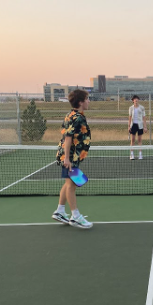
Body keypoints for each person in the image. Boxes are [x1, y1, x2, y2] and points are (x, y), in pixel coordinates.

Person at [52, 89, 93, 229]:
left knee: (72, 183)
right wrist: (67, 159)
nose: (88, 101)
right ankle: (75, 217)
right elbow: (68, 138)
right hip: (70, 157)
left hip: (71, 156)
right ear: (81, 102)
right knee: (72, 185)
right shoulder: (77, 118)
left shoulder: (72, 114)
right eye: (87, 99)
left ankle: (60, 211)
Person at [128, 95, 147, 160]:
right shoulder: (131, 108)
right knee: (132, 140)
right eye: (134, 99)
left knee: (139, 140)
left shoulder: (142, 108)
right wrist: (129, 126)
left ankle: (140, 154)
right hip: (133, 125)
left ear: (138, 100)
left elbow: (144, 118)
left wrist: (145, 127)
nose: (136, 100)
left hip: (140, 125)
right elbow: (130, 117)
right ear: (133, 101)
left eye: (137, 99)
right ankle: (132, 154)